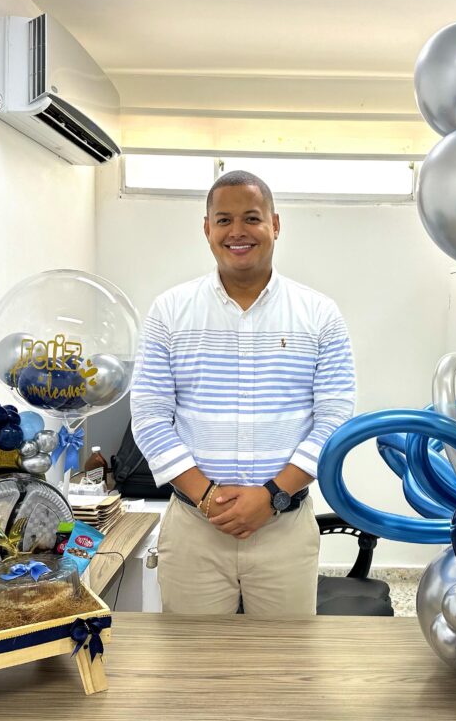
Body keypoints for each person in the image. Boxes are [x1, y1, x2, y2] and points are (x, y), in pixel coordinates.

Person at [129, 170, 356, 616]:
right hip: (194, 528)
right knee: (195, 655)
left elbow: (335, 419)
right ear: (207, 228)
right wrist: (207, 497)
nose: (237, 232)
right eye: (224, 220)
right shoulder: (170, 311)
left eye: (251, 218)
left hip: (284, 530)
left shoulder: (319, 315)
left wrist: (272, 496)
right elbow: (150, 416)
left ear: (275, 224)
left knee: (283, 655)